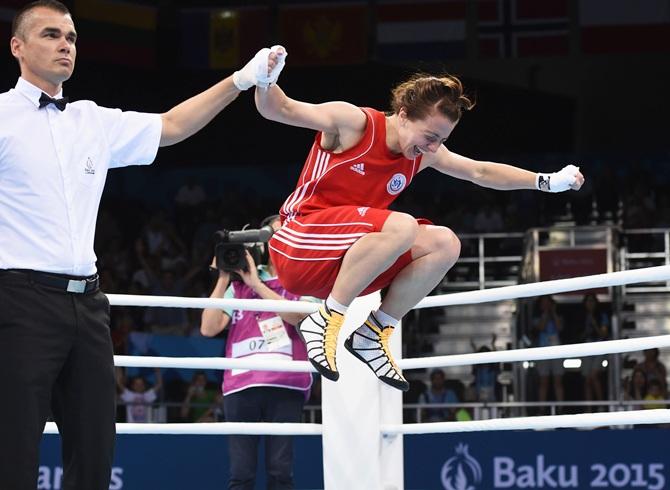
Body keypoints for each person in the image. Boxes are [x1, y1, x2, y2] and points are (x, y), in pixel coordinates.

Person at [0, 2, 284, 488]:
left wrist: (239, 80)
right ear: (18, 47)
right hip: (17, 298)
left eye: (71, 37)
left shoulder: (91, 120)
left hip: (87, 304)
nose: (65, 44)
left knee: (95, 450)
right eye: (51, 35)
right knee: (13, 449)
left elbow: (172, 125)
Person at [253, 46, 584, 392]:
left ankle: (374, 330)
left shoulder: (422, 154)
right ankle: (327, 319)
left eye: (441, 141)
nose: (432, 148)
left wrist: (545, 181)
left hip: (341, 264)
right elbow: (279, 108)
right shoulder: (353, 123)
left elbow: (479, 170)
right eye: (430, 137)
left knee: (445, 243)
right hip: (298, 245)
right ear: (403, 114)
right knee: (402, 225)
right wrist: (266, 77)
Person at [201, 215, 312, 490]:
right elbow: (209, 328)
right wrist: (223, 278)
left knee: (280, 471)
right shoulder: (237, 285)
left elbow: (300, 317)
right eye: (272, 235)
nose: (278, 239)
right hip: (240, 385)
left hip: (286, 384)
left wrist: (257, 286)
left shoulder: (307, 281)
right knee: (240, 474)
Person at [533, 295, 565, 411]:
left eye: (548, 303)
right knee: (543, 382)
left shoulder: (558, 315)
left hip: (557, 351)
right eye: (543, 303)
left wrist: (554, 313)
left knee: (558, 381)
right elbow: (541, 327)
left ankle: (561, 410)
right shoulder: (537, 317)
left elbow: (560, 327)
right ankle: (541, 410)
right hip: (543, 351)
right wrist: (546, 314)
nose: (545, 305)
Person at [578, 293, 610, 407]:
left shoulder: (602, 315)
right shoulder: (581, 317)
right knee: (587, 380)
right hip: (586, 347)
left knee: (594, 377)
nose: (590, 304)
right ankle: (589, 408)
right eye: (588, 301)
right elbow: (578, 336)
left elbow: (604, 334)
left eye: (592, 301)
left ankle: (601, 406)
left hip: (599, 347)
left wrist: (594, 322)